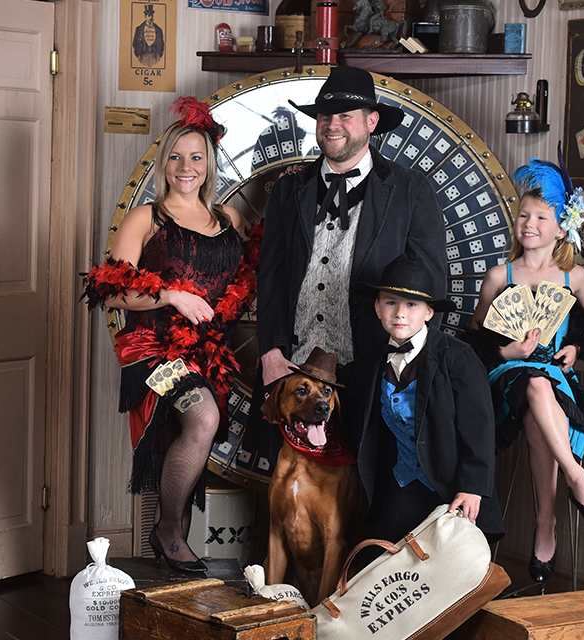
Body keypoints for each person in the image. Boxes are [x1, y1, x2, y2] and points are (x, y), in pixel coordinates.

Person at [83, 97, 257, 574]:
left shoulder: (230, 222)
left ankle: (169, 533)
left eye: (196, 157)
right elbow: (110, 292)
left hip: (208, 354)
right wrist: (172, 297)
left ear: (209, 164)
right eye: (176, 157)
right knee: (202, 418)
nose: (186, 167)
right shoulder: (147, 218)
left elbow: (251, 279)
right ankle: (169, 530)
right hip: (151, 353)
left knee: (195, 427)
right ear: (164, 165)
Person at [466, 157, 584, 584]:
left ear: (562, 227)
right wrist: (510, 350)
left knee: (539, 404)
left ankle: (545, 522)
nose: (529, 223)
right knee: (532, 381)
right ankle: (577, 477)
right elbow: (475, 338)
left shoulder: (574, 279)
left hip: (554, 378)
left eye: (540, 217)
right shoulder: (500, 276)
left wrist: (573, 346)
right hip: (506, 377)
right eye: (523, 216)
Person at [256, 65, 445, 392]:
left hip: (375, 369)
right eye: (325, 116)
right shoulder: (288, 190)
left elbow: (431, 285)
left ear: (371, 122)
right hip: (292, 368)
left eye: (345, 116)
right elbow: (271, 275)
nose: (332, 126)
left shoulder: (411, 190)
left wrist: (408, 363)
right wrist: (270, 351)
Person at [342, 251, 504, 545]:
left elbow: (478, 426)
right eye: (390, 302)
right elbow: (346, 397)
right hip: (401, 484)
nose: (400, 313)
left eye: (412, 305)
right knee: (383, 561)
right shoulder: (371, 361)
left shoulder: (457, 358)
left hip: (451, 488)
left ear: (429, 311)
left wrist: (472, 488)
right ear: (377, 307)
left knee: (447, 571)